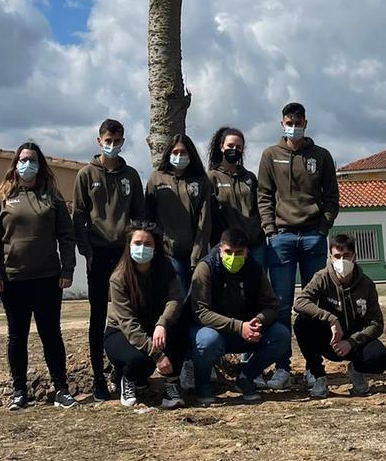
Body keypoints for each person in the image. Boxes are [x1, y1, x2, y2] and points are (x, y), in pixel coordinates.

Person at [0, 142, 77, 410]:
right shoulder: (2, 197)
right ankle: (19, 391)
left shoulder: (53, 196)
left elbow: (66, 236)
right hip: (13, 281)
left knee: (51, 334)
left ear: (40, 164)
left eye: (32, 159)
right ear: (15, 164)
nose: (27, 164)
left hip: (48, 278)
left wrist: (67, 269)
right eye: (23, 159)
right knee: (17, 336)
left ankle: (61, 388)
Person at [71, 118, 145, 401]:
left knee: (129, 312)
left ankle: (124, 370)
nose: (112, 146)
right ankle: (98, 377)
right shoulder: (85, 175)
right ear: (99, 141)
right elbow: (78, 216)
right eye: (108, 141)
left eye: (117, 141)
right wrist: (86, 252)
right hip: (98, 254)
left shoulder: (132, 175)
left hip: (126, 255)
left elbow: (140, 216)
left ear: (123, 142)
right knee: (98, 315)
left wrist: (136, 253)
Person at [257, 101, 339, 337]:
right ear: (282, 124)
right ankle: (283, 365)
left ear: (306, 123)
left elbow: (332, 198)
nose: (294, 127)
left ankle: (314, 366)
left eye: (298, 123)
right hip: (281, 238)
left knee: (313, 304)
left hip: (313, 236)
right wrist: (270, 230)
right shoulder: (270, 155)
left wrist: (323, 229)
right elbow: (263, 195)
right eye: (289, 123)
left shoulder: (321, 156)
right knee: (281, 304)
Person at [189, 226, 291, 404]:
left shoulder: (254, 269)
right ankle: (203, 384)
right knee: (207, 342)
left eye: (238, 253)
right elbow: (201, 312)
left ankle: (246, 376)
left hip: (248, 331)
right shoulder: (205, 268)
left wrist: (259, 320)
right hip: (214, 332)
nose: (233, 257)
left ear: (246, 252)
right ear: (220, 250)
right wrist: (238, 326)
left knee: (281, 335)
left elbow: (272, 305)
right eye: (228, 252)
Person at [293, 232, 386, 398]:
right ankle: (318, 376)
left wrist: (352, 342)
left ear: (354, 256)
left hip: (354, 341)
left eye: (346, 255)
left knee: (380, 358)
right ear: (331, 257)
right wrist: (330, 319)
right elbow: (300, 302)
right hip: (329, 338)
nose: (342, 261)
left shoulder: (366, 285)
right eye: (337, 256)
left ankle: (356, 370)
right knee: (302, 323)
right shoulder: (321, 278)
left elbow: (376, 323)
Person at [105, 223, 187, 409]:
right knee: (138, 359)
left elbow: (175, 299)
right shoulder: (118, 278)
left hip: (156, 326)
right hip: (121, 332)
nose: (142, 248)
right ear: (129, 245)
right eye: (137, 243)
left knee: (181, 331)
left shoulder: (166, 269)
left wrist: (162, 323)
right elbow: (127, 323)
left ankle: (171, 386)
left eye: (148, 244)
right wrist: (157, 355)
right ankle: (127, 377)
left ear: (156, 246)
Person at [145, 133, 212, 292]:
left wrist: (197, 252)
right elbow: (148, 215)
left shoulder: (201, 180)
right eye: (175, 153)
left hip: (194, 252)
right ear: (169, 154)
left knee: (195, 298)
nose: (179, 156)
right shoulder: (156, 178)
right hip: (167, 251)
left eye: (183, 153)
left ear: (190, 155)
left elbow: (205, 219)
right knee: (176, 296)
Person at [207, 127, 264, 270]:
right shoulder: (212, 177)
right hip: (229, 248)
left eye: (239, 147)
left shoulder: (250, 177)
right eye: (230, 146)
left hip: (254, 244)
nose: (234, 149)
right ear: (221, 147)